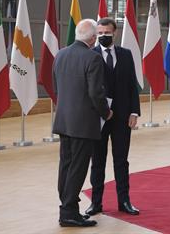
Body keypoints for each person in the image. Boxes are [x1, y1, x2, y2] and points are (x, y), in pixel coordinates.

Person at [52, 19, 113, 227]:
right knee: (78, 168)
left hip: (63, 120)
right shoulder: (92, 58)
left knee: (66, 166)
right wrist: (107, 113)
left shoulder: (60, 54)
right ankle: (68, 214)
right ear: (93, 38)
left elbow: (55, 86)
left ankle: (68, 208)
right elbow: (96, 93)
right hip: (83, 123)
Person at [85, 18, 141, 216]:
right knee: (97, 161)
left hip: (122, 117)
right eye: (99, 33)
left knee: (121, 161)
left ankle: (124, 201)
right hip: (99, 118)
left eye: (106, 33)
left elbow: (132, 85)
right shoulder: (90, 55)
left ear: (114, 33)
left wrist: (134, 112)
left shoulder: (126, 55)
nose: (103, 37)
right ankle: (96, 203)